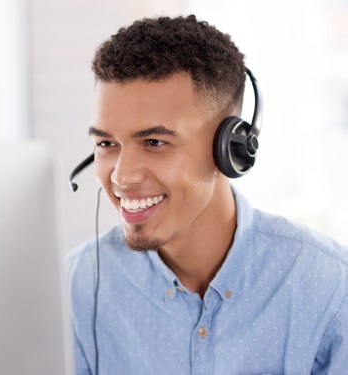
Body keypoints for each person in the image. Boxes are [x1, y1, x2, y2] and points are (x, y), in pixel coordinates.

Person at [66, 15, 348, 375]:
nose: (121, 176)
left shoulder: (329, 288)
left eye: (154, 142)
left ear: (230, 151)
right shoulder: (78, 287)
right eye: (106, 143)